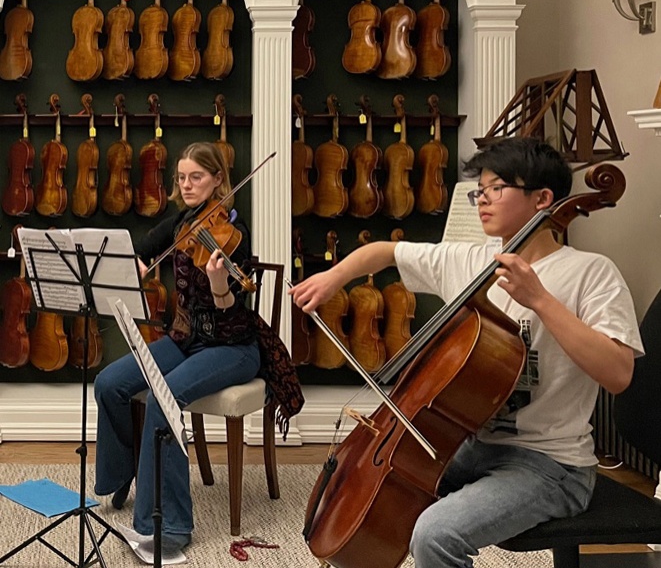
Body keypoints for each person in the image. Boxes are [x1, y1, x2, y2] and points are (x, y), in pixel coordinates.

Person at [288, 137, 643, 568]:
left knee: (435, 534)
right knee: (362, 485)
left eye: (497, 188)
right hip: (472, 443)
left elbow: (618, 374)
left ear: (543, 199)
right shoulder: (471, 261)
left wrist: (540, 300)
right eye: (480, 190)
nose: (483, 199)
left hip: (552, 464)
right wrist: (332, 278)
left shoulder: (591, 273)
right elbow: (384, 252)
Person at [94, 142, 260, 555]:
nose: (186, 185)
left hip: (231, 348)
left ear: (218, 179)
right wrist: (136, 266)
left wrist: (220, 286)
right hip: (186, 339)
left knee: (161, 400)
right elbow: (142, 250)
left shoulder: (234, 235)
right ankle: (125, 473)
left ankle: (171, 526)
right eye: (182, 177)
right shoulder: (181, 223)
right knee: (109, 383)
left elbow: (233, 312)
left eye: (196, 177)